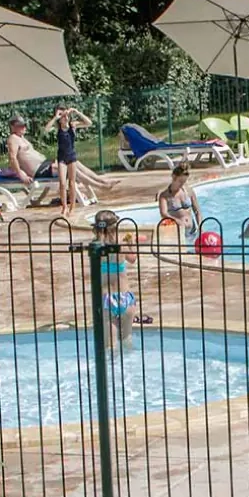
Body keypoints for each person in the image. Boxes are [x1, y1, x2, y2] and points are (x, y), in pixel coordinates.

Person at [47, 106, 121, 216]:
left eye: (66, 115)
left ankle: (72, 207)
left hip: (71, 157)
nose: (65, 117)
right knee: (62, 183)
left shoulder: (73, 125)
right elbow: (46, 129)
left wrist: (77, 112)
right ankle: (64, 207)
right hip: (61, 158)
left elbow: (89, 123)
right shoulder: (58, 129)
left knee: (72, 183)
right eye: (62, 116)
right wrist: (55, 117)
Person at [92, 210, 146, 343]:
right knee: (127, 339)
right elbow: (133, 259)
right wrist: (132, 243)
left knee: (110, 344)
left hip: (106, 299)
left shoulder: (96, 246)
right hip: (125, 297)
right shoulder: (120, 244)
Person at [4, 115, 55, 188]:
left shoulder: (21, 137)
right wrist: (21, 175)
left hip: (44, 164)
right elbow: (12, 158)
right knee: (68, 167)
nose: (24, 127)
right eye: (20, 126)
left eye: (24, 125)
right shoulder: (13, 139)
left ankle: (72, 191)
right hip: (39, 170)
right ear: (12, 127)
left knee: (73, 163)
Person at [158, 164, 201, 238]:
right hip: (177, 232)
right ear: (174, 177)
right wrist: (177, 221)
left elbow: (197, 211)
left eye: (184, 181)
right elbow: (164, 214)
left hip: (193, 230)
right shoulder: (164, 196)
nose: (182, 184)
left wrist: (200, 227)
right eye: (180, 181)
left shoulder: (189, 191)